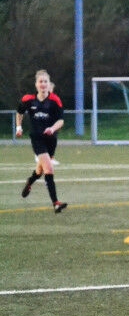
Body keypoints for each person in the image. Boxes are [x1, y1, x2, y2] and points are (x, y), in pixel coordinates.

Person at [16, 69, 67, 213]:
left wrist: (52, 128)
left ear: (49, 84)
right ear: (36, 84)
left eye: (45, 81)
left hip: (51, 140)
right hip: (37, 139)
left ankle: (30, 181)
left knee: (40, 170)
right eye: (40, 81)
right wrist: (19, 127)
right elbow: (19, 112)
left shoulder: (55, 100)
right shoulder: (28, 100)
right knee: (49, 169)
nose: (43, 84)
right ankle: (56, 203)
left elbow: (61, 120)